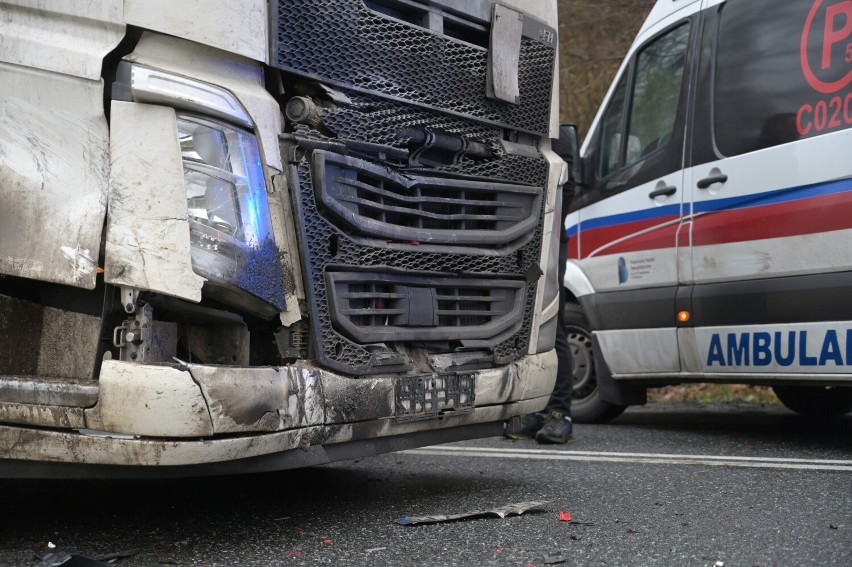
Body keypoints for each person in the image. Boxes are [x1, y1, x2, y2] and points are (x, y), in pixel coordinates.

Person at [506, 168, 574, 444]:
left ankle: (560, 414)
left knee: (551, 325)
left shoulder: (555, 133)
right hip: (521, 236)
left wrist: (544, 228)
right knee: (525, 327)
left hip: (548, 239)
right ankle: (537, 408)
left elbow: (566, 188)